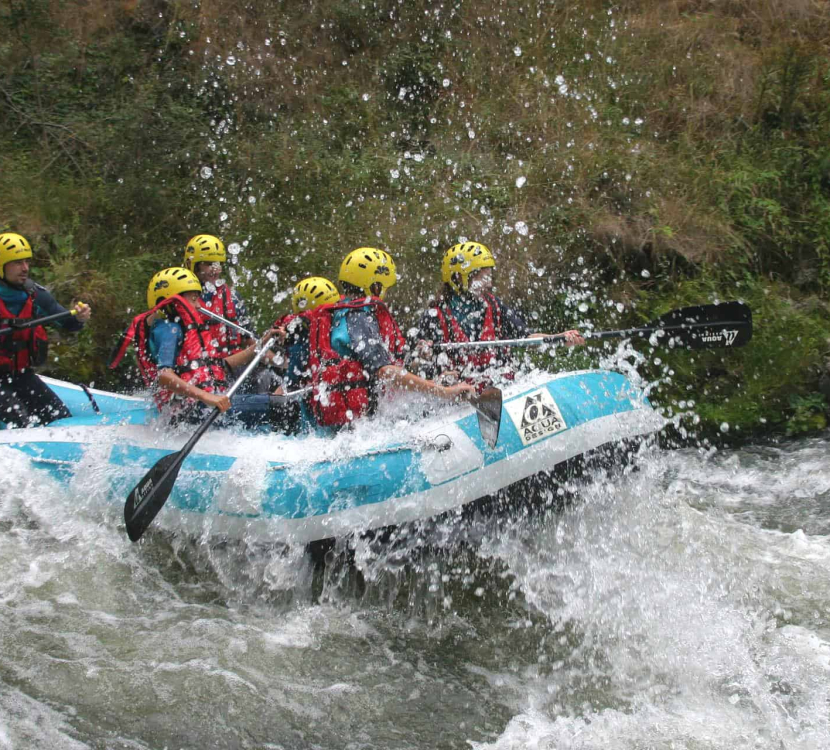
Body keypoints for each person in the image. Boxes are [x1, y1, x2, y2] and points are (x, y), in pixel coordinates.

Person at [303, 247, 474, 429]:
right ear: (374, 286)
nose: (387, 293)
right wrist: (444, 392)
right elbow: (386, 372)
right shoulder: (358, 319)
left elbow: (386, 374)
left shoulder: (345, 312)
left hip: (358, 423)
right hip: (359, 428)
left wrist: (434, 380)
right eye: (384, 287)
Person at [109, 267, 297, 431]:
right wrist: (209, 398)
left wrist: (260, 345)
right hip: (193, 412)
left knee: (280, 396)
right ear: (172, 301)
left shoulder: (182, 329)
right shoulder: (169, 329)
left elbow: (220, 366)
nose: (199, 304)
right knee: (284, 406)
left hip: (203, 406)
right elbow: (164, 377)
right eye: (193, 298)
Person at [411, 241, 584, 384]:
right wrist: (431, 367)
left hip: (501, 386)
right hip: (458, 396)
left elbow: (526, 338)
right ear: (458, 278)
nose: (489, 284)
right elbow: (416, 365)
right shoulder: (434, 316)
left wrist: (559, 338)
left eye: (490, 276)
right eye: (483, 277)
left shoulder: (494, 306)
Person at [0, 232, 91, 427]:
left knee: (61, 419)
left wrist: (80, 317)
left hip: (21, 375)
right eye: (17, 263)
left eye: (26, 262)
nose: (25, 268)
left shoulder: (34, 295)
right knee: (19, 423)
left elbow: (70, 324)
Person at [183, 234, 253, 355]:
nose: (216, 269)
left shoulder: (233, 297)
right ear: (192, 265)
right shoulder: (180, 298)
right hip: (200, 368)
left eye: (218, 264)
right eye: (209, 264)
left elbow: (251, 341)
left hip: (232, 365)